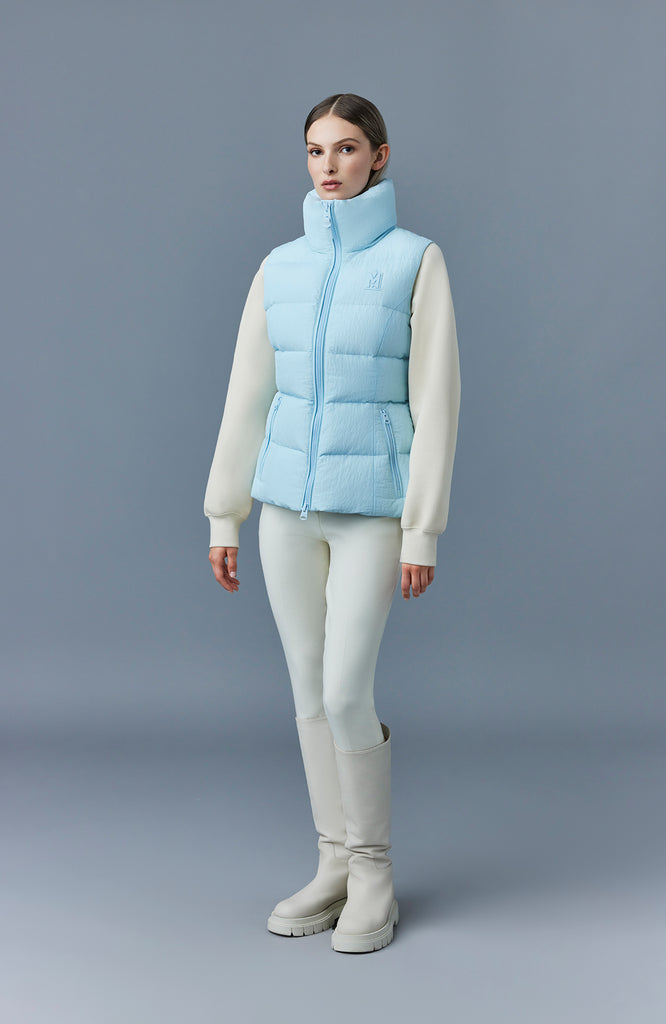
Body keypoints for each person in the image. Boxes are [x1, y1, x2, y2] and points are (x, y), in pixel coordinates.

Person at [204, 93, 461, 953]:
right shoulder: (278, 267)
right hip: (284, 510)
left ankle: (374, 873)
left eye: (347, 149)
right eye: (315, 150)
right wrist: (225, 513)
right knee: (308, 693)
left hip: (371, 513)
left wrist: (421, 530)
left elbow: (435, 401)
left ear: (379, 157)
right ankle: (333, 865)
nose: (328, 165)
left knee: (348, 691)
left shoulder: (415, 261)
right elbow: (247, 394)